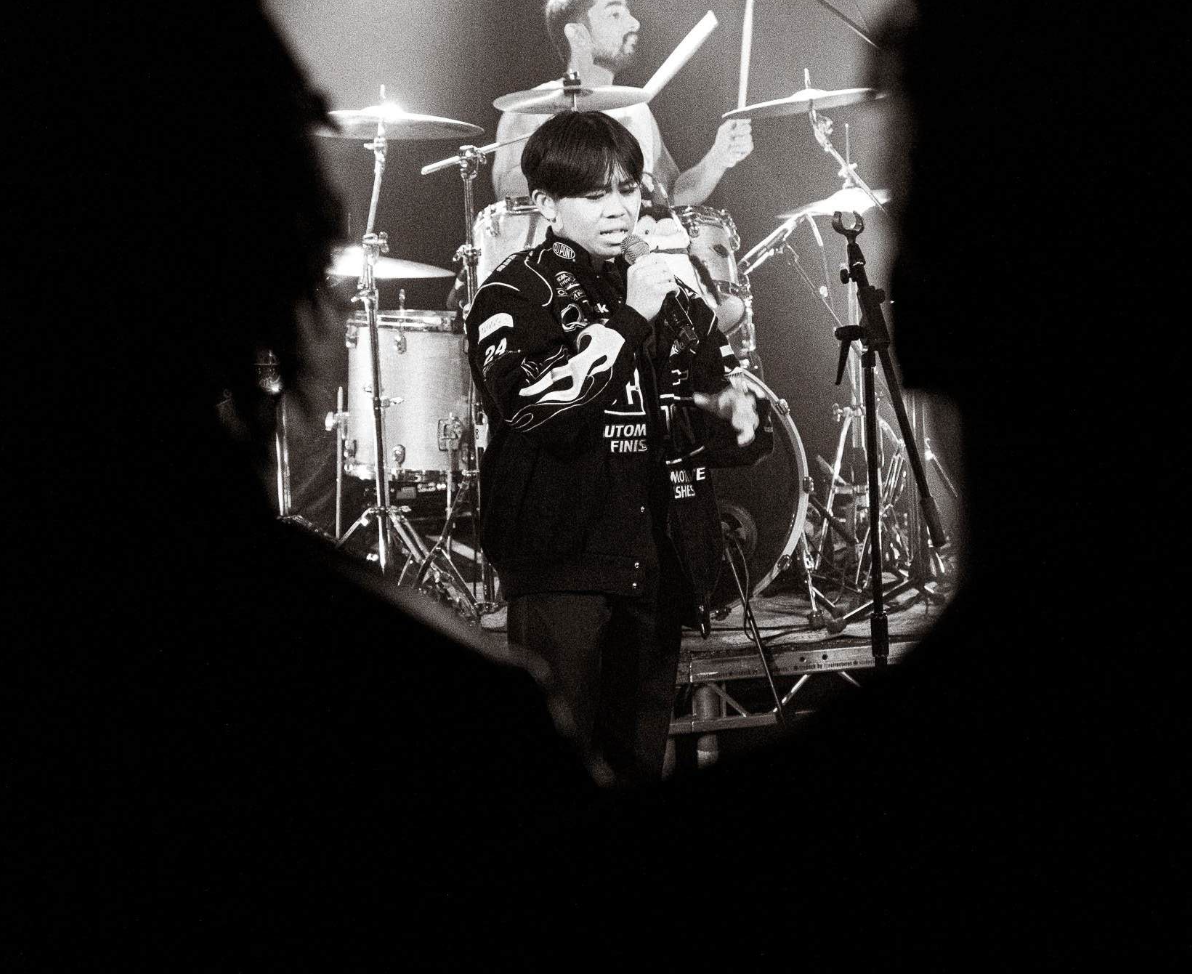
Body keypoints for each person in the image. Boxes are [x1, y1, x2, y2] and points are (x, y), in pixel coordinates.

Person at [465, 110, 761, 785]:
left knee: (636, 767)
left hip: (651, 568)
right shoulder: (511, 290)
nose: (617, 209)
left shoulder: (655, 288)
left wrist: (714, 373)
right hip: (562, 564)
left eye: (627, 190)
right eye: (593, 195)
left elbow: (735, 425)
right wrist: (630, 319)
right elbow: (537, 407)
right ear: (546, 203)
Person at [490, 0, 754, 207]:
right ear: (577, 34)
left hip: (627, 265)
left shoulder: (636, 108)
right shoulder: (531, 108)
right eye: (615, 14)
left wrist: (718, 158)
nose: (635, 23)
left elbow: (670, 195)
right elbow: (509, 193)